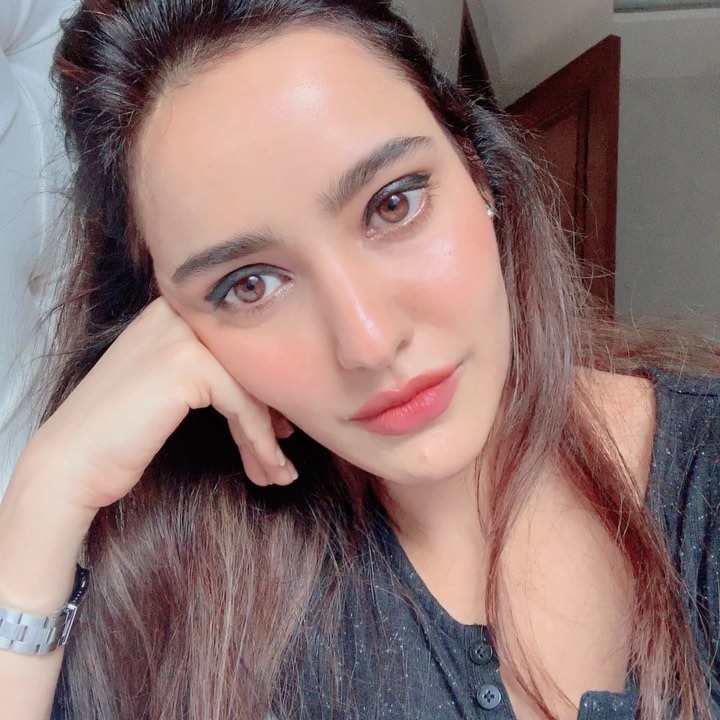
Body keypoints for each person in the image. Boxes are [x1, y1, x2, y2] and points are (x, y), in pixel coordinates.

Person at [0, 0, 718, 718]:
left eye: (393, 205)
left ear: (477, 168)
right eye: (249, 285)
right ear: (169, 326)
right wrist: (43, 498)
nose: (368, 343)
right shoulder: (179, 600)